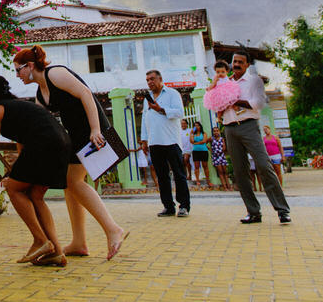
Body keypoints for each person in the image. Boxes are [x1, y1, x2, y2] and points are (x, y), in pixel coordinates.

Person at [14, 45, 128, 260]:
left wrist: (95, 129)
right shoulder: (41, 92)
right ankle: (79, 242)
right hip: (74, 136)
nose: (17, 76)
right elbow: (42, 124)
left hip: (92, 131)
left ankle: (113, 229)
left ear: (29, 66)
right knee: (69, 184)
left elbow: (85, 93)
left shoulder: (55, 73)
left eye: (18, 70)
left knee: (73, 182)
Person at [0, 75, 70, 267]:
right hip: (62, 143)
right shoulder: (20, 107)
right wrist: (15, 172)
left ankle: (40, 240)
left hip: (44, 143)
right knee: (35, 194)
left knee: (14, 189)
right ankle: (56, 252)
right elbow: (22, 144)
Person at [220, 51, 291, 224]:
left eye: (240, 62)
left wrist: (236, 101)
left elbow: (258, 103)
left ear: (247, 65)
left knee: (263, 165)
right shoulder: (225, 83)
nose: (236, 64)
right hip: (230, 127)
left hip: (249, 125)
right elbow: (219, 102)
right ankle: (253, 212)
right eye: (234, 61)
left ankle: (282, 210)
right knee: (240, 171)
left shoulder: (254, 81)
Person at [138, 69, 190, 217]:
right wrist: (144, 140)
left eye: (152, 79)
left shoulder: (172, 94)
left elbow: (180, 113)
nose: (150, 82)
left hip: (171, 141)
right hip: (154, 142)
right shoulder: (146, 99)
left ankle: (184, 206)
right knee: (162, 176)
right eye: (147, 80)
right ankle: (168, 206)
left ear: (160, 79)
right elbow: (145, 119)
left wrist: (161, 109)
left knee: (179, 174)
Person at [210, 126, 231, 191]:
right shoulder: (211, 139)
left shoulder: (222, 139)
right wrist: (211, 150)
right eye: (214, 131)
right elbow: (205, 143)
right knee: (220, 172)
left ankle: (229, 186)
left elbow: (224, 147)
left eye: (217, 130)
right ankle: (225, 187)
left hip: (222, 156)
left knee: (225, 171)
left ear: (219, 131)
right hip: (216, 157)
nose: (216, 132)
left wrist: (221, 150)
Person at [190, 121, 209, 187]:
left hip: (203, 151)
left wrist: (196, 143)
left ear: (200, 126)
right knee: (196, 166)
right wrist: (191, 133)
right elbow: (191, 141)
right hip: (195, 151)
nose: (196, 127)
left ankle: (208, 180)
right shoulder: (193, 134)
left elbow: (204, 141)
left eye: (198, 125)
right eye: (195, 125)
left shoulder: (204, 133)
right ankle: (198, 180)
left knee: (205, 166)